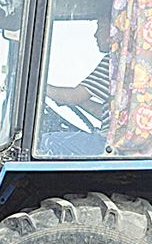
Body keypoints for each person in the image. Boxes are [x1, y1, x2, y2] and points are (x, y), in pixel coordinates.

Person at [40, 11, 116, 156]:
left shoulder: (114, 63)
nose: (95, 35)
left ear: (114, 30)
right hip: (115, 141)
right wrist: (82, 103)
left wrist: (40, 88)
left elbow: (73, 96)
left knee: (46, 142)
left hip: (107, 143)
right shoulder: (133, 66)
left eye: (100, 27)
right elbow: (107, 115)